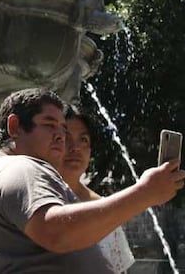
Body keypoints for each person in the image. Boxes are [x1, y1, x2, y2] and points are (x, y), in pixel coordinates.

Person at [0, 87, 185, 273]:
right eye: (49, 124)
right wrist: (144, 194)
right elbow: (57, 232)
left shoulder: (4, 174)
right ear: (15, 127)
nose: (61, 136)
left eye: (62, 128)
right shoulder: (21, 167)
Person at [60, 105, 135, 274]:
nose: (75, 148)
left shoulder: (104, 208)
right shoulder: (33, 202)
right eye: (65, 138)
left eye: (83, 140)